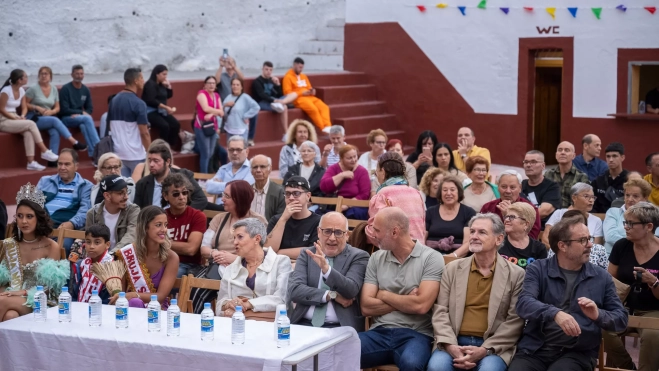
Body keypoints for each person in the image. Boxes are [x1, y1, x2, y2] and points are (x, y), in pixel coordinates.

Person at [508, 217, 628, 371]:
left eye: (590, 238)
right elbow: (524, 303)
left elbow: (621, 318)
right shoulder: (538, 269)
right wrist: (555, 313)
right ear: (562, 245)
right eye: (583, 240)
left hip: (577, 352)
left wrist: (598, 314)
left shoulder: (601, 277)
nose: (591, 245)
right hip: (535, 349)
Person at [429, 213, 525, 371]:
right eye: (472, 231)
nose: (474, 236)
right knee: (437, 367)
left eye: (482, 232)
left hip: (493, 346)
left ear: (499, 239)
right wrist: (451, 345)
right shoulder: (452, 269)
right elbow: (440, 311)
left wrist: (484, 350)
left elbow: (514, 321)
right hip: (453, 340)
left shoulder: (516, 274)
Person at [359, 207, 444, 370]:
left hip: (416, 334)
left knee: (412, 363)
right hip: (379, 332)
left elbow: (421, 306)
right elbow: (366, 307)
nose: (373, 235)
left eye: (377, 230)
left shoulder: (431, 258)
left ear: (394, 232)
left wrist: (383, 294)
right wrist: (407, 299)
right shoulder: (376, 257)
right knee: (340, 351)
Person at [288, 211, 370, 330]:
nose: (332, 238)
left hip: (340, 327)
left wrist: (326, 270)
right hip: (303, 324)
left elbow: (351, 289)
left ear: (347, 235)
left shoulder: (359, 256)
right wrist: (331, 295)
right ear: (318, 232)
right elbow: (295, 291)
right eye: (327, 231)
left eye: (338, 232)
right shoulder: (307, 254)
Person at [604, 202, 659, 371]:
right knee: (603, 327)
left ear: (649, 226)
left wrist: (653, 281)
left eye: (630, 224)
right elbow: (609, 280)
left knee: (653, 335)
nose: (625, 227)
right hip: (624, 307)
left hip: (654, 309)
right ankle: (627, 367)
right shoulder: (622, 246)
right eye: (625, 222)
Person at [0, 185, 68, 322]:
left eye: (29, 216)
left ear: (39, 219)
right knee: (10, 316)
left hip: (40, 300)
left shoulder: (51, 246)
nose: (24, 221)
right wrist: (4, 293)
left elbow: (50, 286)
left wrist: (22, 292)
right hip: (10, 298)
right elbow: (3, 281)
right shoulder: (9, 244)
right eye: (20, 216)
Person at [216, 218, 292, 317]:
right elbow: (219, 303)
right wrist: (228, 303)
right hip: (238, 324)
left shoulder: (281, 262)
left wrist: (248, 304)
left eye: (240, 237)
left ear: (257, 239)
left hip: (270, 325)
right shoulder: (231, 268)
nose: (235, 242)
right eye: (234, 238)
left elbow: (281, 300)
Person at [110, 205, 179, 309]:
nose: (164, 229)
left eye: (165, 225)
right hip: (132, 307)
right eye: (158, 225)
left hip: (158, 310)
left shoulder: (172, 257)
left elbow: (160, 297)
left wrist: (134, 295)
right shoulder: (126, 254)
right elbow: (121, 293)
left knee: (135, 301)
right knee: (134, 302)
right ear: (145, 227)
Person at [201, 180, 267, 271]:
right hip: (216, 268)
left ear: (240, 199)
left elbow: (262, 254)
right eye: (223, 194)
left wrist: (235, 259)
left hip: (246, 270)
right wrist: (215, 254)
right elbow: (204, 248)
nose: (222, 199)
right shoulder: (219, 218)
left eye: (227, 196)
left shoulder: (258, 221)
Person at [0, 69, 59, 170]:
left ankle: (31, 162)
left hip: (15, 117)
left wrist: (22, 115)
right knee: (31, 124)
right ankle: (44, 151)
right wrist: (15, 118)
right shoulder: (6, 91)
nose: (27, 78)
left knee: (28, 132)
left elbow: (24, 108)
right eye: (25, 77)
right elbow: (1, 109)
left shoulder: (22, 90)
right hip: (4, 120)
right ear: (19, 80)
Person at [37, 149, 92, 254]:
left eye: (67, 164)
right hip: (41, 225)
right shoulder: (45, 181)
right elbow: (33, 203)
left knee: (65, 245)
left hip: (65, 228)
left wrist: (72, 223)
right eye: (60, 164)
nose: (62, 168)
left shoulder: (86, 186)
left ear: (76, 166)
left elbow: (85, 210)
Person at [26, 66, 87, 161]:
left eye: (46, 74)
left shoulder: (53, 89)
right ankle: (74, 142)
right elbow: (24, 104)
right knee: (55, 120)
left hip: (47, 117)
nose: (44, 76)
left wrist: (52, 111)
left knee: (55, 132)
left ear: (50, 76)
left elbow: (57, 107)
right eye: (41, 74)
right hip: (34, 117)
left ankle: (52, 160)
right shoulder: (33, 89)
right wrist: (36, 107)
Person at [134, 141, 209, 211]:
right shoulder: (142, 184)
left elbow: (201, 200)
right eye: (150, 160)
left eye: (156, 161)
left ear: (168, 162)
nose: (151, 164)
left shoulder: (184, 176)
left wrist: (183, 216)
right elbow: (136, 211)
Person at [368, 152, 425, 242]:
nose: (376, 175)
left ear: (383, 172)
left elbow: (374, 233)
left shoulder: (382, 194)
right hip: (420, 250)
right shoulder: (416, 193)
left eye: (376, 172)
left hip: (396, 252)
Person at [161, 173, 206, 278]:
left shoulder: (198, 216)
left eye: (185, 193)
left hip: (189, 265)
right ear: (165, 196)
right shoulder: (161, 216)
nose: (182, 197)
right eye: (176, 194)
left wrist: (162, 243)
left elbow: (191, 249)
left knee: (168, 275)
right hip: (162, 261)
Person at [108, 68, 151, 177]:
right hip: (136, 155)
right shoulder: (139, 103)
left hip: (118, 154)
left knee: (124, 191)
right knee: (139, 191)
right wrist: (151, 152)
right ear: (136, 81)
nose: (143, 80)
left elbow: (110, 127)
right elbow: (144, 133)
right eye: (141, 78)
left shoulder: (114, 100)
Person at [267, 177, 321, 260]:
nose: (291, 198)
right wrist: (283, 219)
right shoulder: (276, 220)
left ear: (308, 196)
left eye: (296, 193)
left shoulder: (318, 221)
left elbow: (313, 251)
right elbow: (268, 249)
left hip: (304, 267)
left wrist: (278, 253)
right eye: (287, 194)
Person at [85, 174, 139, 254]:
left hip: (124, 258)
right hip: (100, 260)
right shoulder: (92, 214)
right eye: (121, 193)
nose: (126, 197)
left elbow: (131, 236)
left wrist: (111, 255)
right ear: (107, 196)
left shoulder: (133, 210)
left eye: (126, 192)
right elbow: (89, 241)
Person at [480, 170, 541, 239]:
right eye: (504, 187)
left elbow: (531, 237)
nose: (508, 191)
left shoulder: (530, 210)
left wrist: (508, 216)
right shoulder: (488, 207)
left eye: (512, 187)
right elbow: (480, 232)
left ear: (520, 188)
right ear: (498, 187)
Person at [426, 176, 477, 256]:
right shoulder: (430, 211)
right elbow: (422, 238)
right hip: (430, 256)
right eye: (445, 190)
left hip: (458, 258)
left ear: (459, 192)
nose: (448, 193)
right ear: (440, 192)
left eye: (452, 190)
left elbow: (468, 243)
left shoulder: (469, 213)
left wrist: (453, 256)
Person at [604, 178, 658, 253]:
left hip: (644, 254)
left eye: (635, 196)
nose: (630, 199)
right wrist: (638, 241)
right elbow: (610, 237)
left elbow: (656, 237)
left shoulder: (653, 215)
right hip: (612, 254)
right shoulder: (613, 212)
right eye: (627, 195)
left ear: (645, 198)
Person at [59, 65, 100, 158]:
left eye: (81, 74)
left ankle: (93, 154)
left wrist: (80, 114)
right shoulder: (65, 89)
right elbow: (64, 109)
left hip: (79, 119)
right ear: (72, 74)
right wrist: (80, 113)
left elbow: (89, 108)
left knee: (83, 125)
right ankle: (100, 148)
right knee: (87, 118)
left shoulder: (85, 90)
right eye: (77, 74)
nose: (79, 76)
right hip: (67, 118)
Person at [251, 61, 297, 144]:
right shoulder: (257, 81)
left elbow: (279, 94)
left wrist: (278, 84)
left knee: (294, 94)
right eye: (266, 69)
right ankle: (286, 134)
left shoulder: (272, 80)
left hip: (276, 102)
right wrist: (274, 100)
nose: (268, 71)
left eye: (270, 70)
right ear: (262, 69)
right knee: (285, 107)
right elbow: (262, 95)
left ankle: (282, 103)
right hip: (262, 102)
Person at [320, 145, 370, 219]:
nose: (353, 160)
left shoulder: (362, 171)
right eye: (349, 158)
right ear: (341, 158)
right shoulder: (333, 168)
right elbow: (323, 186)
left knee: (354, 214)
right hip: (333, 205)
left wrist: (347, 205)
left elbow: (364, 194)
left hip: (354, 206)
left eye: (355, 156)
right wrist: (341, 175)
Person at [282, 57, 331, 133]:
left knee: (324, 107)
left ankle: (328, 126)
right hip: (298, 99)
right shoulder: (288, 77)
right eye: (299, 67)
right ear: (294, 65)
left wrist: (312, 91)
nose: (301, 69)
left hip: (309, 97)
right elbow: (287, 93)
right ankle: (323, 128)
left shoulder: (304, 76)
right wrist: (301, 93)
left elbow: (309, 87)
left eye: (302, 68)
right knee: (313, 109)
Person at [206, 136, 254, 206]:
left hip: (239, 209)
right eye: (231, 150)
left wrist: (220, 186)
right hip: (220, 206)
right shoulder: (223, 169)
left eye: (238, 150)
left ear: (247, 152)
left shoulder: (252, 169)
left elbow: (242, 190)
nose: (234, 153)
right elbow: (209, 187)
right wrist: (233, 186)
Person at [498, 202, 548, 269]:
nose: (506, 220)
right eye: (506, 216)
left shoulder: (539, 248)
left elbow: (541, 275)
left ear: (526, 224)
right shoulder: (497, 243)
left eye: (512, 217)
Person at [72, 224, 113, 304]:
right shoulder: (80, 265)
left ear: (107, 245)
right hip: (79, 308)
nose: (91, 246)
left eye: (97, 242)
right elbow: (74, 292)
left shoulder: (112, 267)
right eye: (88, 242)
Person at [141, 64, 181, 148]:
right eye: (164, 74)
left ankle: (171, 145)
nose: (165, 77)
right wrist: (166, 107)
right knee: (164, 125)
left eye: (166, 74)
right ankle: (163, 147)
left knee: (175, 124)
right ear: (157, 74)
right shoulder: (150, 84)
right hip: (150, 111)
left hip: (161, 111)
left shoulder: (161, 84)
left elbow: (168, 96)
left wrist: (169, 87)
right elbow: (151, 100)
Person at [522, 150, 561, 228]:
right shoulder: (521, 185)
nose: (528, 165)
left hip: (543, 231)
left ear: (543, 166)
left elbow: (543, 212)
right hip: (522, 228)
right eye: (526, 162)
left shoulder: (552, 187)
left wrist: (519, 218)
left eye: (533, 162)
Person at [545, 141, 590, 209]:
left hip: (572, 214)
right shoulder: (548, 174)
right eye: (560, 150)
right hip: (550, 213)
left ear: (573, 156)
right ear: (556, 155)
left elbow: (583, 200)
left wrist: (565, 214)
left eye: (567, 150)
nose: (562, 152)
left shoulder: (581, 177)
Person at [194, 76, 225, 174]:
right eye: (209, 83)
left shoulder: (216, 95)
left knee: (211, 153)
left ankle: (206, 175)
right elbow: (205, 108)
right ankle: (203, 178)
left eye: (213, 83)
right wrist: (217, 111)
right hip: (201, 126)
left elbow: (222, 112)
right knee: (205, 153)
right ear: (205, 85)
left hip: (212, 126)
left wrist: (212, 114)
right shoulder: (201, 94)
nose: (211, 85)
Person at [592, 142, 628, 213]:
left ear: (622, 157)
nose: (611, 160)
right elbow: (593, 205)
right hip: (600, 218)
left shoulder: (629, 179)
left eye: (614, 156)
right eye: (608, 156)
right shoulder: (598, 181)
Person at [222, 77, 260, 144]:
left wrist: (246, 116)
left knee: (242, 151)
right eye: (233, 85)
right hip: (229, 129)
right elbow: (222, 111)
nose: (235, 87)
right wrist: (225, 105)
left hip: (241, 130)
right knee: (230, 151)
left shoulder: (245, 97)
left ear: (241, 87)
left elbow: (256, 107)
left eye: (237, 85)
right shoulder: (228, 97)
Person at [250, 154, 285, 221]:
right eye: (255, 167)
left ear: (270, 169)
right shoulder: (247, 191)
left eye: (262, 167)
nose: (258, 170)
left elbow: (280, 218)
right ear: (251, 171)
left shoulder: (279, 192)